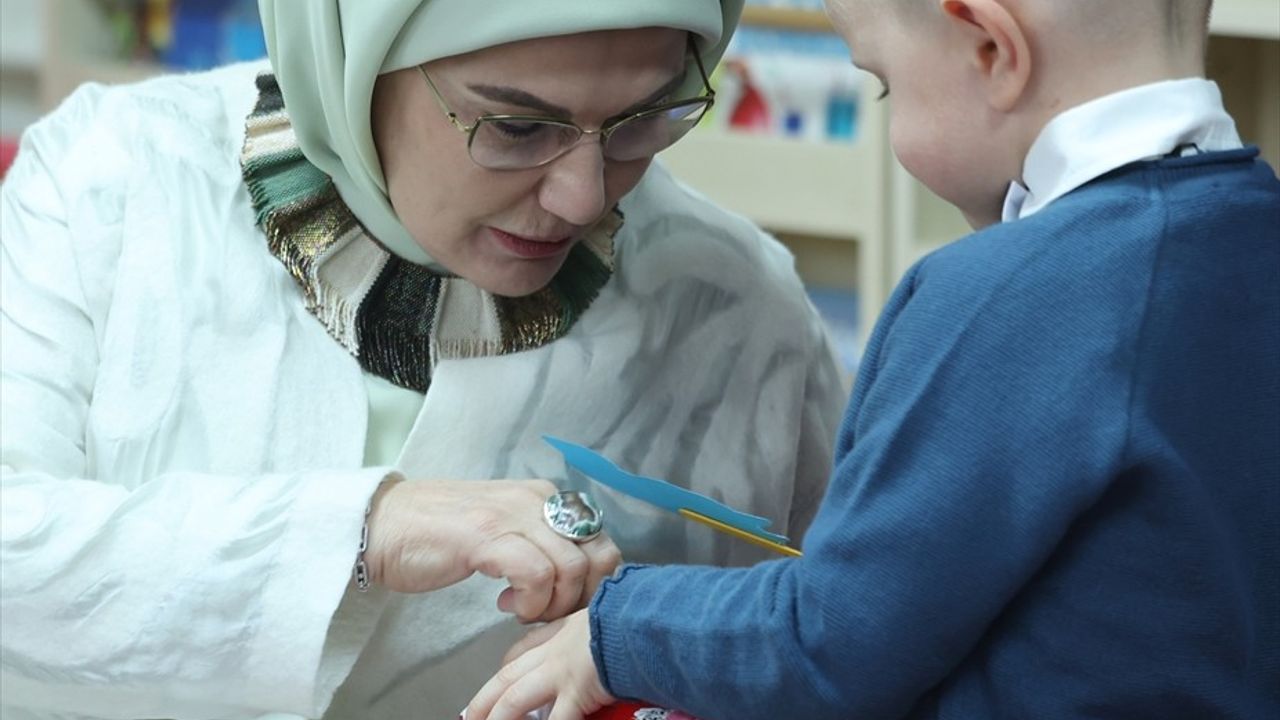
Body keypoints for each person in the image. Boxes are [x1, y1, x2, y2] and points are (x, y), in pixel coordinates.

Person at [0, 1, 848, 718]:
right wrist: (365, 530)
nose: (584, 195)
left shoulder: (738, 309)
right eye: (518, 126)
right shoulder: (115, 180)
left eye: (647, 117)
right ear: (354, 58)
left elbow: (838, 641)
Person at [466, 0, 1280, 718]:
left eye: (884, 82)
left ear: (991, 48)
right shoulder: (1252, 236)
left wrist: (616, 634)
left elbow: (834, 638)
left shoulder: (1005, 295)